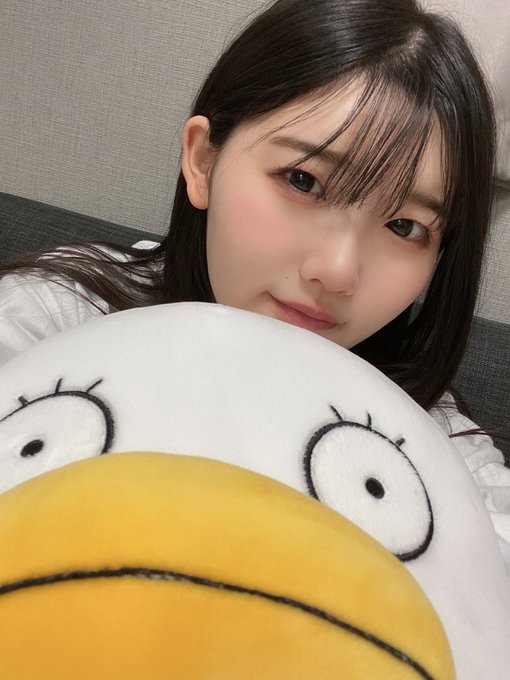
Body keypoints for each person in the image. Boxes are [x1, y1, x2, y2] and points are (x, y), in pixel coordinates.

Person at [0, 0, 509, 567]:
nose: (338, 270)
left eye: (405, 226)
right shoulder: (57, 316)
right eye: (303, 180)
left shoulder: (433, 437)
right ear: (203, 161)